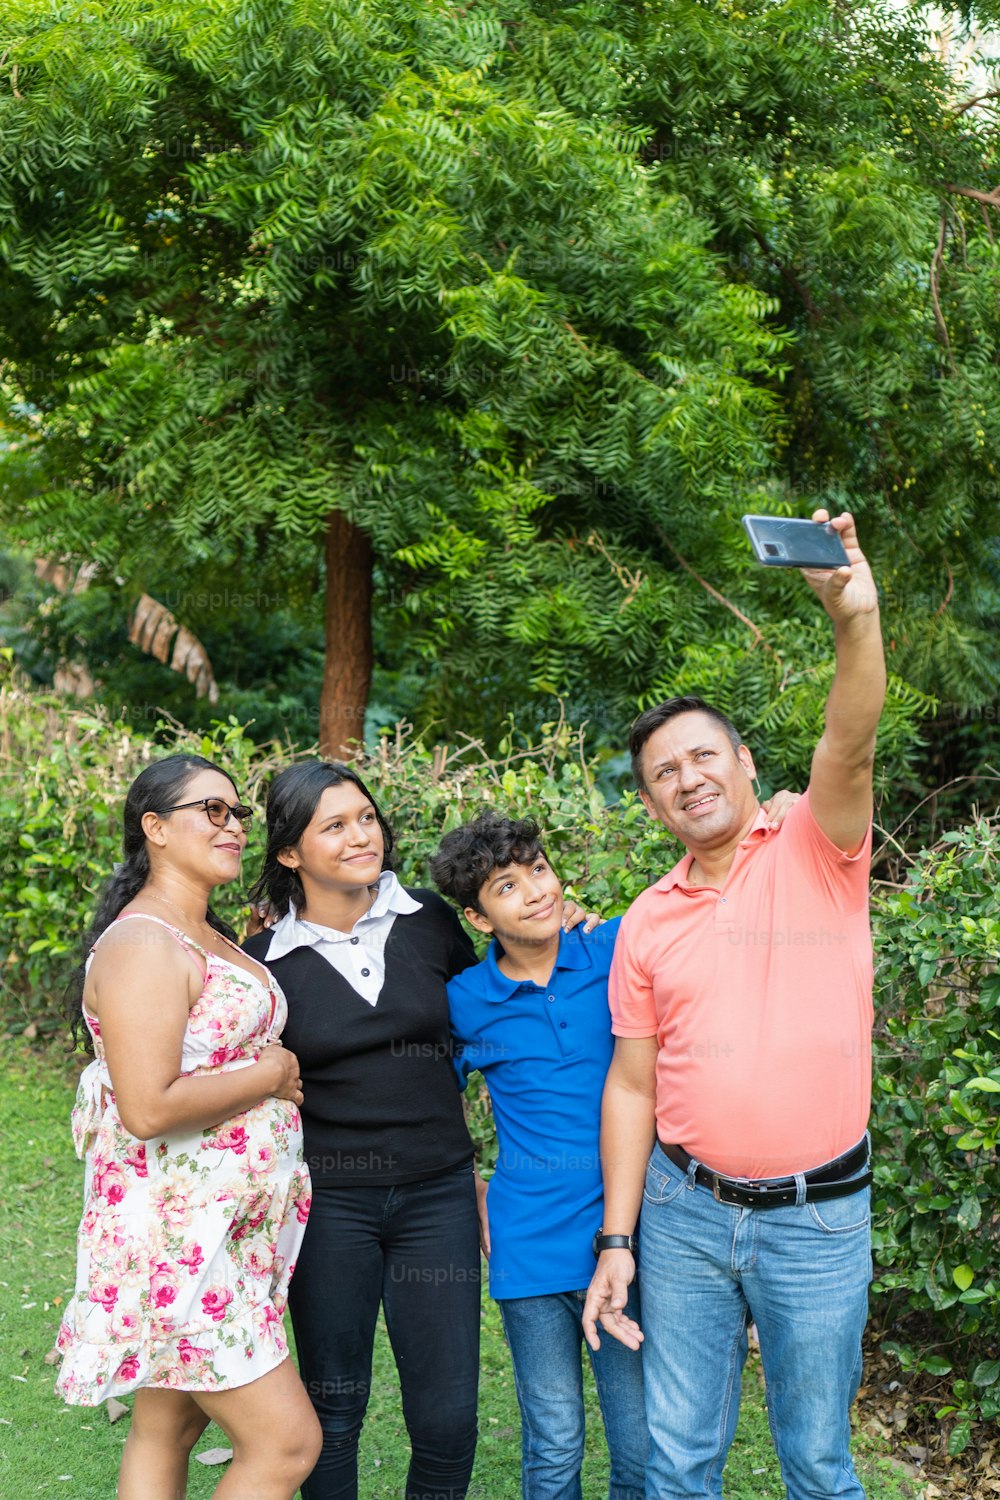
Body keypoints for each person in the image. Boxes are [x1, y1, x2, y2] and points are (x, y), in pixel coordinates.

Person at [582, 509, 886, 1500]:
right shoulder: (646, 920)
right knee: (678, 1461)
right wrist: (619, 1240)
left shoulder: (813, 844)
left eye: (702, 756)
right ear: (652, 804)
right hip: (682, 1215)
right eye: (662, 773)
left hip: (818, 1219)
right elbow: (631, 1087)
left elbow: (850, 739)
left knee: (817, 1463)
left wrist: (852, 619)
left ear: (745, 763)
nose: (686, 778)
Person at [55, 753, 322, 1500]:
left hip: (221, 1231)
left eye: (238, 813)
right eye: (212, 810)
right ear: (155, 828)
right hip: (176, 1243)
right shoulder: (144, 943)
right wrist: (269, 1076)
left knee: (168, 1427)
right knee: (287, 1445)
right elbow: (146, 1106)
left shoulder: (201, 931)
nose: (233, 826)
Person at [242, 761, 483, 1500]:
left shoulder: (432, 923)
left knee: (446, 1419)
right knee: (334, 1409)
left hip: (436, 1196)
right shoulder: (262, 966)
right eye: (334, 825)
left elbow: (493, 1009)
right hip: (328, 1205)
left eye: (366, 818)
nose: (360, 836)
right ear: (290, 853)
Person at [430, 810, 647, 1500]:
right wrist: (470, 1187)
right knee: (554, 1443)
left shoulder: (615, 949)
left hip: (628, 1234)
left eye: (540, 870)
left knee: (639, 1442)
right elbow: (424, 1103)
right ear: (478, 918)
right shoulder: (465, 1002)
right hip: (527, 1242)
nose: (536, 891)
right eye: (507, 886)